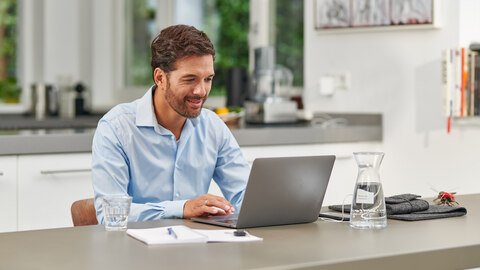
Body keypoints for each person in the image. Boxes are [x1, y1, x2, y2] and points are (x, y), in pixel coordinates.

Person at [91, 25, 250, 223]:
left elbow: (245, 196)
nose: (201, 91)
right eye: (190, 79)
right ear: (160, 78)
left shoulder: (212, 126)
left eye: (208, 79)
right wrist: (181, 208)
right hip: (134, 250)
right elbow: (110, 215)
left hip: (197, 247)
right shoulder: (116, 128)